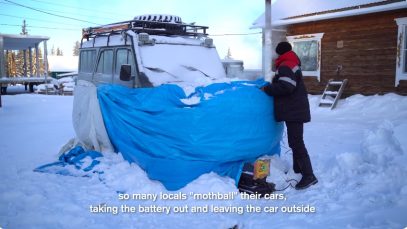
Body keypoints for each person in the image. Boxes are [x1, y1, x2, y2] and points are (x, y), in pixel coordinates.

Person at [261, 41, 318, 190]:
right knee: (295, 141)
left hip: (294, 110)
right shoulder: (291, 62)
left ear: (280, 53)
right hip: (295, 108)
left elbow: (287, 86)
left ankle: (309, 175)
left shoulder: (286, 65)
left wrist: (269, 88)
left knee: (297, 142)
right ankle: (297, 170)